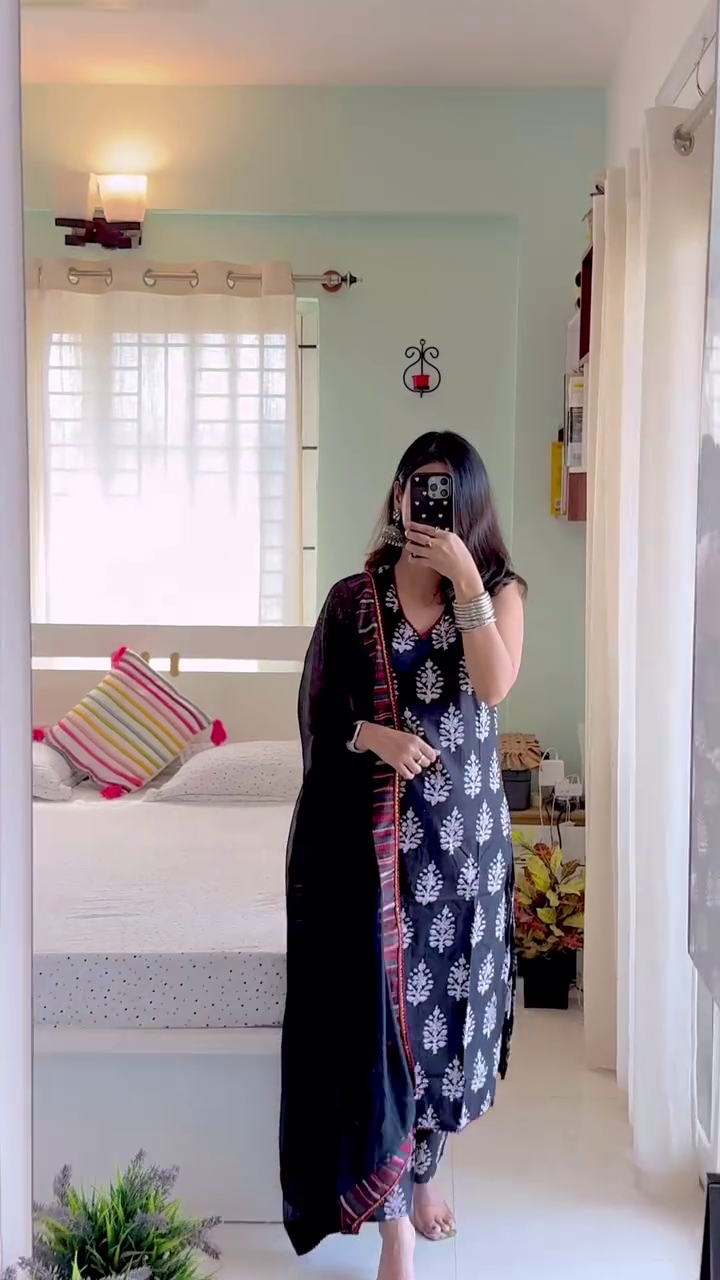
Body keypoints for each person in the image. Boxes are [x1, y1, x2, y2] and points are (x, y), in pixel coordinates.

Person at [280, 431, 525, 1280]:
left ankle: (424, 1172)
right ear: (395, 498)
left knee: (445, 1028)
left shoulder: (499, 591)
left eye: (442, 491)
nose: (423, 503)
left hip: (465, 858)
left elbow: (493, 685)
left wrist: (466, 584)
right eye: (413, 487)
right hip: (374, 858)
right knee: (383, 1028)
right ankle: (395, 1227)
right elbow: (319, 713)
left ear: (468, 505)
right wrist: (375, 735)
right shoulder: (354, 601)